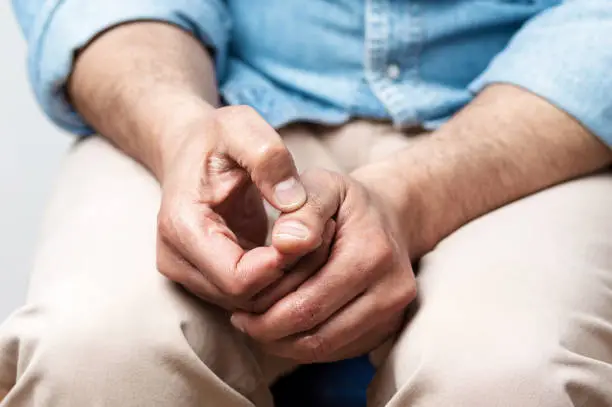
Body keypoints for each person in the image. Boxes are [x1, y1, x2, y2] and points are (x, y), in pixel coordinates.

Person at [1, 1, 612, 406]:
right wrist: (179, 127)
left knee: (507, 377)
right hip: (217, 97)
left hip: (542, 122)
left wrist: (413, 196)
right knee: (93, 350)